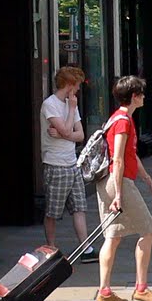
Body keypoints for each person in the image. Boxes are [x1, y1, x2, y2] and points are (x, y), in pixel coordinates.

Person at [94, 76, 152, 301]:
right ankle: (141, 289)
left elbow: (130, 155)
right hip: (120, 182)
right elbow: (117, 158)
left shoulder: (117, 118)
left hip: (111, 181)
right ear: (134, 96)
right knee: (148, 230)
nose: (144, 97)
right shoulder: (124, 121)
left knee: (112, 238)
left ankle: (104, 291)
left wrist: (149, 182)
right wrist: (118, 194)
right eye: (142, 94)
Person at [40, 67, 93, 259]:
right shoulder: (51, 105)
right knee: (53, 211)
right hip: (55, 163)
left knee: (79, 206)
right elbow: (68, 129)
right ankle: (51, 247)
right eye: (77, 85)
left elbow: (79, 135)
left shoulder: (72, 104)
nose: (78, 89)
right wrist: (70, 114)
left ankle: (85, 247)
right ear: (69, 85)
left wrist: (65, 134)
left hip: (72, 162)